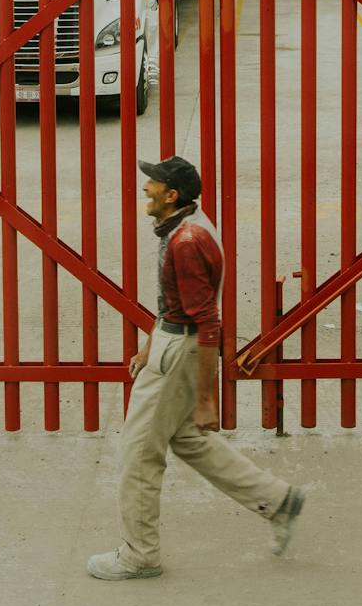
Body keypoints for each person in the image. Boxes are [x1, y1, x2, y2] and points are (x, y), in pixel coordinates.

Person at [86, 156, 307, 580]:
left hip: (180, 351)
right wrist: (151, 342)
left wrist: (208, 399)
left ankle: (138, 555)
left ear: (172, 196)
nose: (145, 189)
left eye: (153, 184)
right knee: (187, 440)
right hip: (172, 343)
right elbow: (179, 301)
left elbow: (208, 322)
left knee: (138, 454)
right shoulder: (186, 224)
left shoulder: (186, 242)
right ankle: (278, 501)